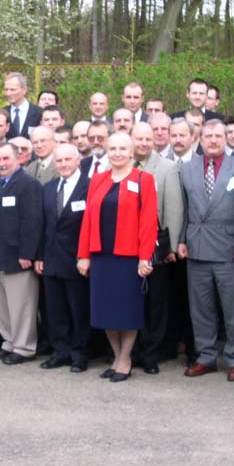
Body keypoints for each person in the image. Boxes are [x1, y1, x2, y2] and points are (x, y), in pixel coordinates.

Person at [178, 120, 234, 381]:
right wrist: (181, 240)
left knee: (233, 308)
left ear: (227, 138)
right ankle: (206, 356)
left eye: (218, 136)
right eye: (208, 136)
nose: (213, 140)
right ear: (199, 139)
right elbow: (185, 209)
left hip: (228, 249)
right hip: (197, 248)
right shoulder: (187, 169)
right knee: (201, 308)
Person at [76, 132, 157, 382]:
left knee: (127, 310)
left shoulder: (144, 179)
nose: (118, 153)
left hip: (129, 256)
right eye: (113, 149)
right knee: (105, 310)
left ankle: (124, 360)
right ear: (107, 152)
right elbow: (88, 219)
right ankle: (117, 356)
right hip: (102, 256)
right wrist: (84, 255)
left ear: (132, 151)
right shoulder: (98, 180)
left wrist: (146, 257)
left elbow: (148, 222)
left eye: (123, 148)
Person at [131, 122, 184, 375]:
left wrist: (171, 246)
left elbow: (174, 207)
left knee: (155, 301)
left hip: (156, 244)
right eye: (138, 139)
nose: (143, 143)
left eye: (147, 139)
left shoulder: (166, 168)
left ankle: (151, 352)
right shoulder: (118, 164)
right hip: (125, 246)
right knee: (132, 300)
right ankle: (132, 349)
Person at [0, 143, 43, 364]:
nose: (2, 163)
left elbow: (32, 222)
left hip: (17, 253)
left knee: (22, 303)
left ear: (19, 159)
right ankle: (8, 342)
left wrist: (27, 253)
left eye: (6, 159)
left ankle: (24, 347)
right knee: (3, 303)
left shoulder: (28, 185)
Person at [37, 144, 91, 373]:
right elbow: (43, 225)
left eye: (68, 159)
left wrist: (86, 256)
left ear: (78, 160)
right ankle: (60, 351)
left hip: (77, 260)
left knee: (78, 309)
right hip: (51, 258)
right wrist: (39, 255)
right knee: (55, 309)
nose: (63, 164)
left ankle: (79, 354)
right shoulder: (48, 188)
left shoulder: (89, 186)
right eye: (59, 161)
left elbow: (92, 225)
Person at [2, 72, 42, 139]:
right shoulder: (2, 113)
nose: (8, 93)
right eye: (6, 90)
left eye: (12, 90)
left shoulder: (39, 113)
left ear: (24, 90)